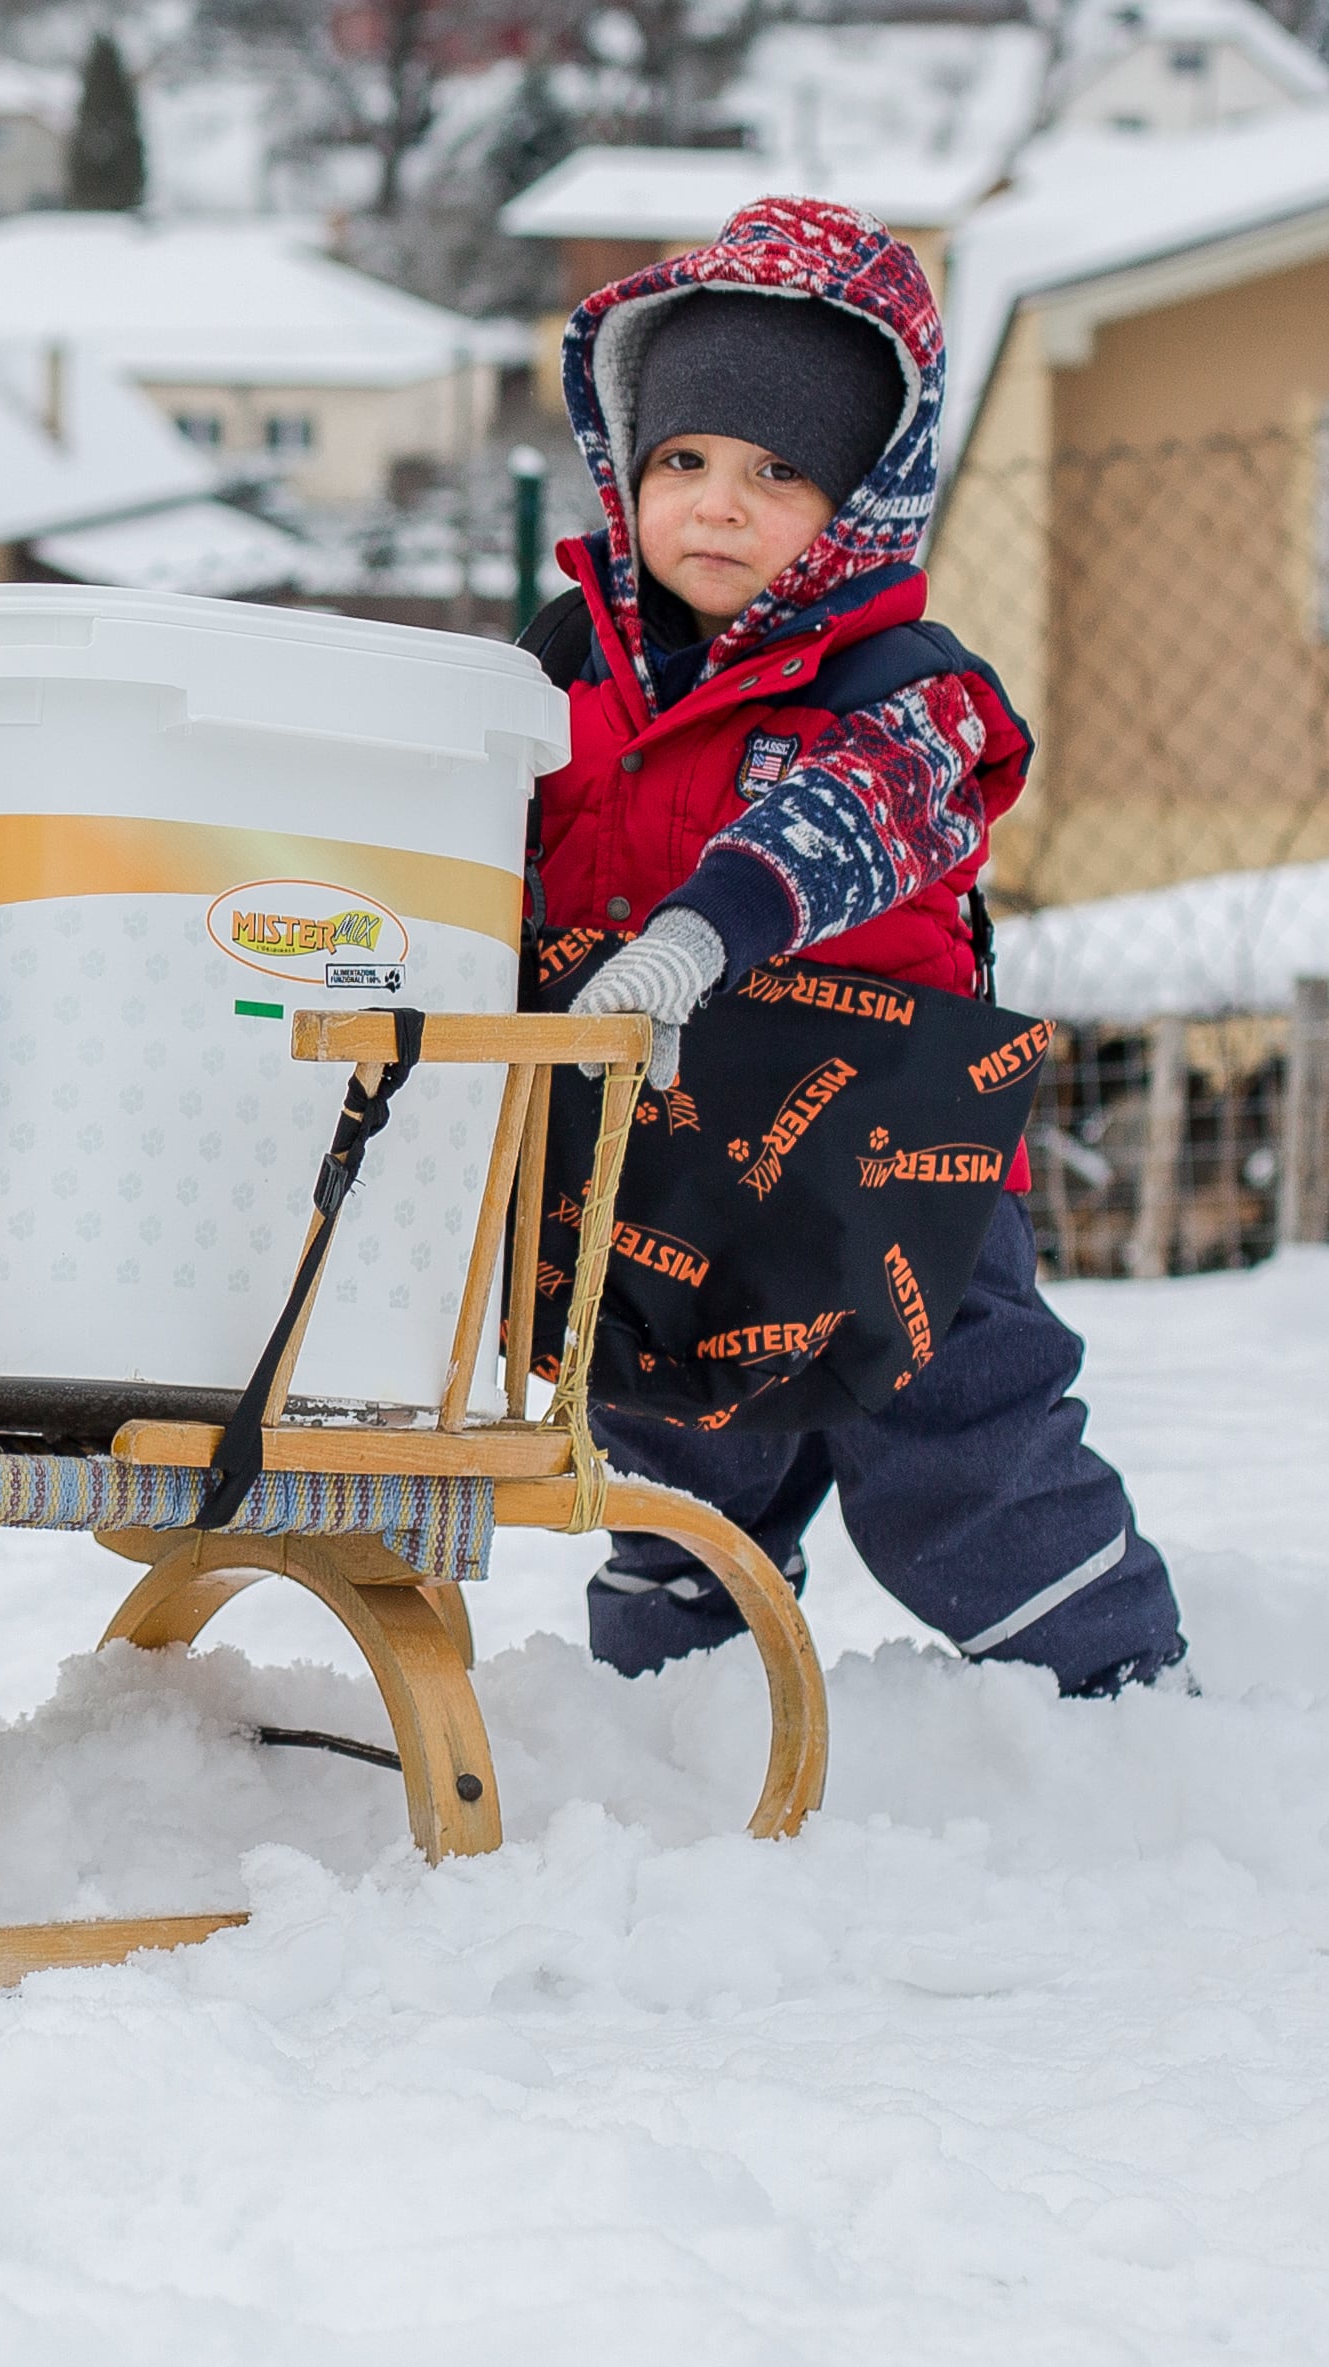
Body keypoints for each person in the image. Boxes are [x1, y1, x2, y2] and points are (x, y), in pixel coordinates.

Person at [522, 196, 1187, 1698]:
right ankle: (663, 1720)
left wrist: (704, 931)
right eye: (684, 460)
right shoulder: (561, 670)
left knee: (956, 1452)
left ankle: (1120, 1705)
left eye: (777, 474)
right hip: (670, 1154)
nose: (715, 504)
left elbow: (844, 826)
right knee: (672, 1449)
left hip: (892, 1164)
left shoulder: (905, 695)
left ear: (864, 502)